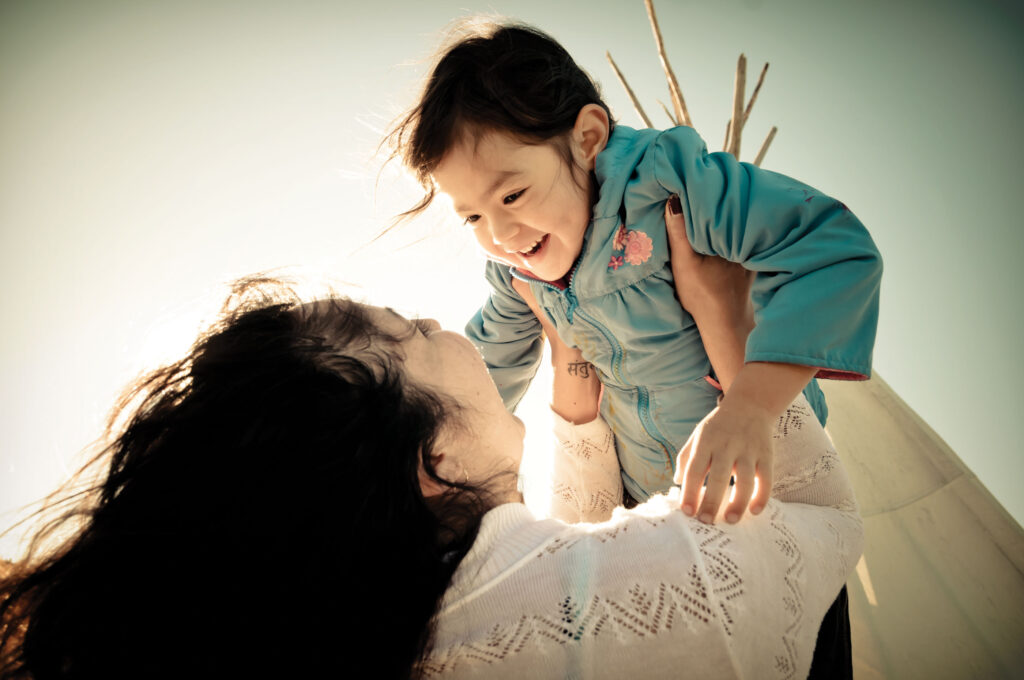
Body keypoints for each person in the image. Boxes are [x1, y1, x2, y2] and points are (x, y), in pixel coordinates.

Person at [0, 206, 863, 678]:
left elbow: (557, 571)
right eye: (413, 329)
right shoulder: (647, 616)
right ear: (433, 458)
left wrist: (577, 420)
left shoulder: (390, 632)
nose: (446, 323)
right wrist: (723, 317)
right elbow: (812, 523)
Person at [387, 21, 882, 528]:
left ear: (587, 139)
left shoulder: (670, 187)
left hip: (754, 482)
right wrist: (411, 457)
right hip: (646, 507)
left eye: (512, 196)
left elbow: (830, 247)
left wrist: (750, 407)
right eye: (472, 217)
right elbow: (481, 380)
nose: (500, 234)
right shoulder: (518, 276)